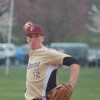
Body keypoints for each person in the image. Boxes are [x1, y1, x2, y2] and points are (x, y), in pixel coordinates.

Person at [23, 21, 80, 100]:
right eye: (30, 36)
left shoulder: (48, 53)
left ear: (42, 38)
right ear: (27, 39)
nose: (33, 39)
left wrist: (71, 85)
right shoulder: (33, 53)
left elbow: (74, 62)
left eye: (36, 36)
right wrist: (28, 27)